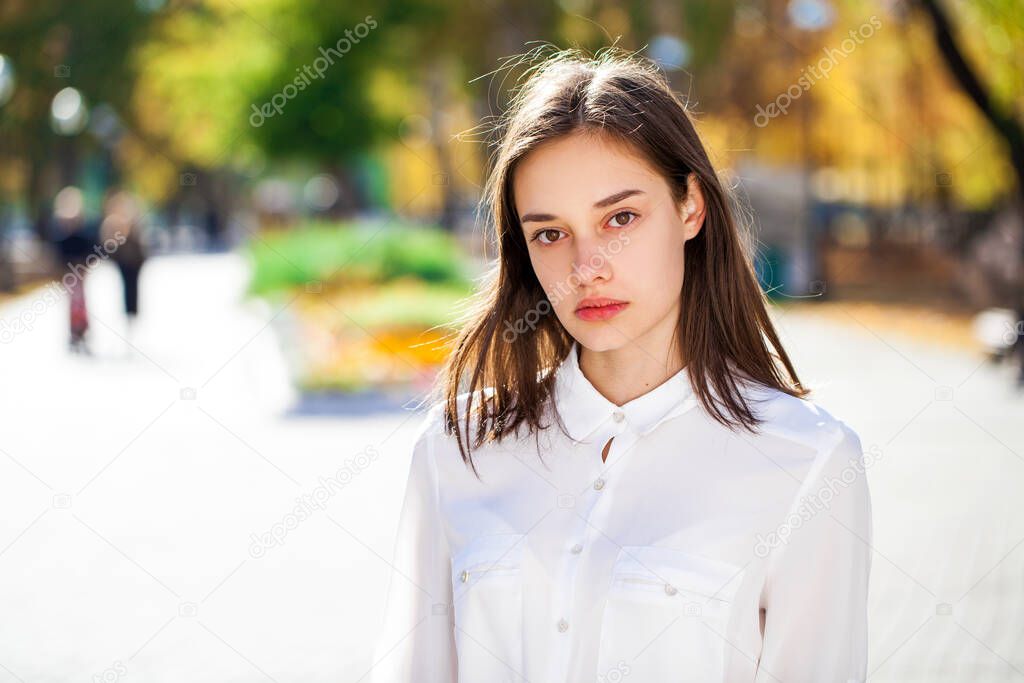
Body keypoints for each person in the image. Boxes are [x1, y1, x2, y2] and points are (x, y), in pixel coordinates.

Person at [371, 49, 872, 683]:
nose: (587, 267)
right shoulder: (456, 449)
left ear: (691, 207)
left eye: (621, 218)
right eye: (550, 233)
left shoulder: (807, 461)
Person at [51, 186, 96, 354]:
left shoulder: (82, 226)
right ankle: (74, 331)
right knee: (72, 302)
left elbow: (89, 248)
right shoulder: (60, 227)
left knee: (80, 301)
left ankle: (81, 330)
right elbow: (58, 250)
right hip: (68, 270)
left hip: (80, 269)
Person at [101, 190, 148, 336]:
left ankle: (132, 314)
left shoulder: (133, 220)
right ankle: (128, 314)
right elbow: (108, 242)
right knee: (126, 288)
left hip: (135, 260)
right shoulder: (113, 221)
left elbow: (139, 240)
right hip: (123, 260)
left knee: (133, 288)